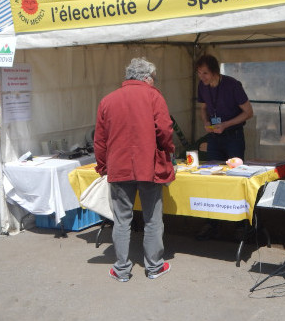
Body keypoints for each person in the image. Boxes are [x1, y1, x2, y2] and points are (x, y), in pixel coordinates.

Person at [94, 57, 175, 282]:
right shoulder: (153, 96)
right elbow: (165, 130)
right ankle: (154, 267)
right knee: (152, 218)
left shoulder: (107, 100)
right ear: (147, 78)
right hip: (149, 166)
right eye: (153, 79)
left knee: (121, 220)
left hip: (118, 168)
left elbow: (99, 140)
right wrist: (167, 151)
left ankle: (121, 269)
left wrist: (102, 166)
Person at [195, 55, 253, 240]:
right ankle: (212, 223)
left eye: (205, 73)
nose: (201, 77)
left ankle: (241, 225)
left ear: (214, 71)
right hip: (214, 136)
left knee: (235, 178)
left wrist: (226, 124)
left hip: (233, 136)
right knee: (211, 176)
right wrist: (205, 122)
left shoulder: (232, 85)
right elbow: (203, 108)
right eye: (199, 73)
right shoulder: (202, 87)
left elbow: (248, 112)